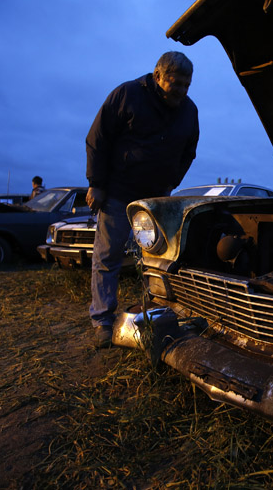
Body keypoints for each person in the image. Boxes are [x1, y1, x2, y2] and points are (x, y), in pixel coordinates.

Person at [86, 51, 199, 347]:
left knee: (157, 256)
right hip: (118, 193)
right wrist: (96, 184)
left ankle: (156, 311)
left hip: (156, 199)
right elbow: (97, 139)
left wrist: (171, 182)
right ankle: (103, 321)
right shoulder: (127, 94)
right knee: (108, 257)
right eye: (176, 83)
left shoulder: (188, 110)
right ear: (158, 76)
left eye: (187, 85)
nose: (182, 91)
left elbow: (189, 150)